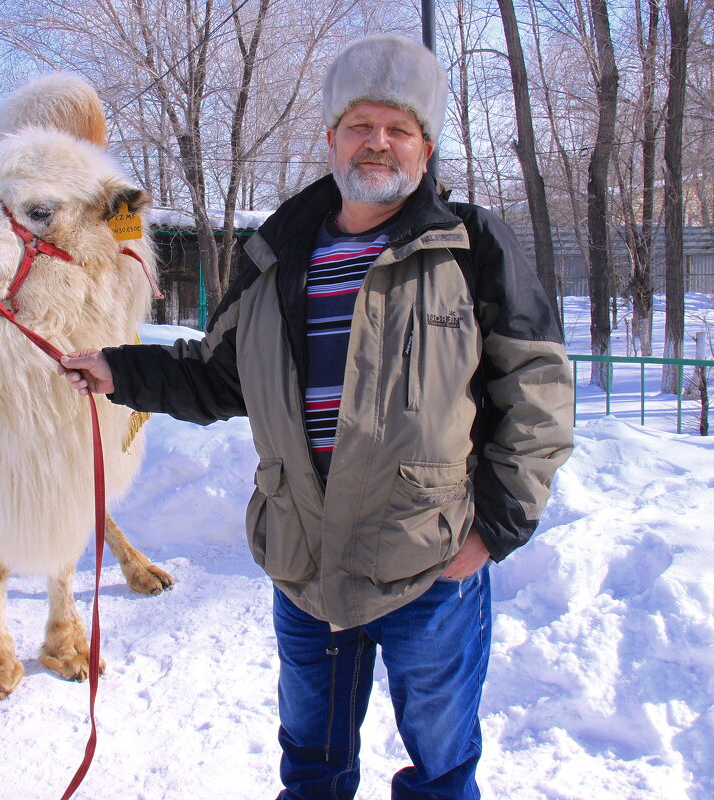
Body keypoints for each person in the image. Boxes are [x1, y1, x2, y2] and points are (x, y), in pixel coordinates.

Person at [60, 33, 573, 800]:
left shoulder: (469, 246)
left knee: (441, 771)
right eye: (361, 125)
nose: (379, 143)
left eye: (399, 129)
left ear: (425, 149)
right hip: (304, 567)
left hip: (429, 567)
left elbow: (537, 392)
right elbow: (218, 377)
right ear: (330, 138)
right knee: (311, 770)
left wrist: (492, 529)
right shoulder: (276, 260)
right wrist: (116, 369)